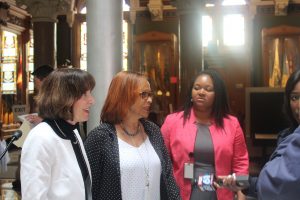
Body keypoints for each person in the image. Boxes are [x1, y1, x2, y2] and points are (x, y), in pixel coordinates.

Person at [84, 71, 181, 200]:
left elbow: (168, 179)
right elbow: (87, 187)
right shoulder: (100, 137)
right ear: (124, 96)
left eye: (150, 94)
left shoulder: (152, 131)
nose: (150, 100)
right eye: (144, 95)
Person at [161, 69, 249, 200]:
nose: (201, 92)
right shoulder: (172, 121)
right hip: (180, 193)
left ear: (217, 95)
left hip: (219, 192)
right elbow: (162, 160)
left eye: (208, 89)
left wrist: (242, 193)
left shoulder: (232, 124)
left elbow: (241, 163)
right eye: (197, 88)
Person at [21, 68, 95, 200]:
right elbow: (34, 196)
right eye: (84, 94)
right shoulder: (41, 137)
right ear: (64, 98)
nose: (91, 100)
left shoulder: (73, 132)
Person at [237, 69, 300, 199]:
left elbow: (275, 188)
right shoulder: (286, 135)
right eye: (294, 97)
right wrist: (241, 182)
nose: (299, 105)